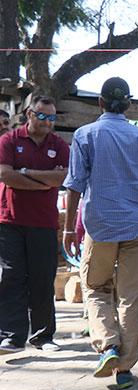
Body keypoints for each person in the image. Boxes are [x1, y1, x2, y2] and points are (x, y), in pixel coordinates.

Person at [62, 77, 138, 389]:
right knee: (130, 296)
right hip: (136, 225)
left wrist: (67, 228)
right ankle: (125, 370)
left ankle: (109, 346)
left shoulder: (84, 135)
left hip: (100, 226)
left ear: (100, 103)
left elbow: (75, 183)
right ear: (128, 105)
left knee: (95, 288)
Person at [0, 96, 69, 354]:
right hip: (11, 220)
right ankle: (11, 337)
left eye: (51, 118)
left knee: (42, 278)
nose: (46, 122)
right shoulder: (9, 140)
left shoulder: (59, 145)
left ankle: (43, 336)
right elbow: (5, 175)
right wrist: (44, 183)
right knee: (11, 278)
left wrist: (26, 173)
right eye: (41, 116)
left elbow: (62, 178)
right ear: (29, 114)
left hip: (43, 222)